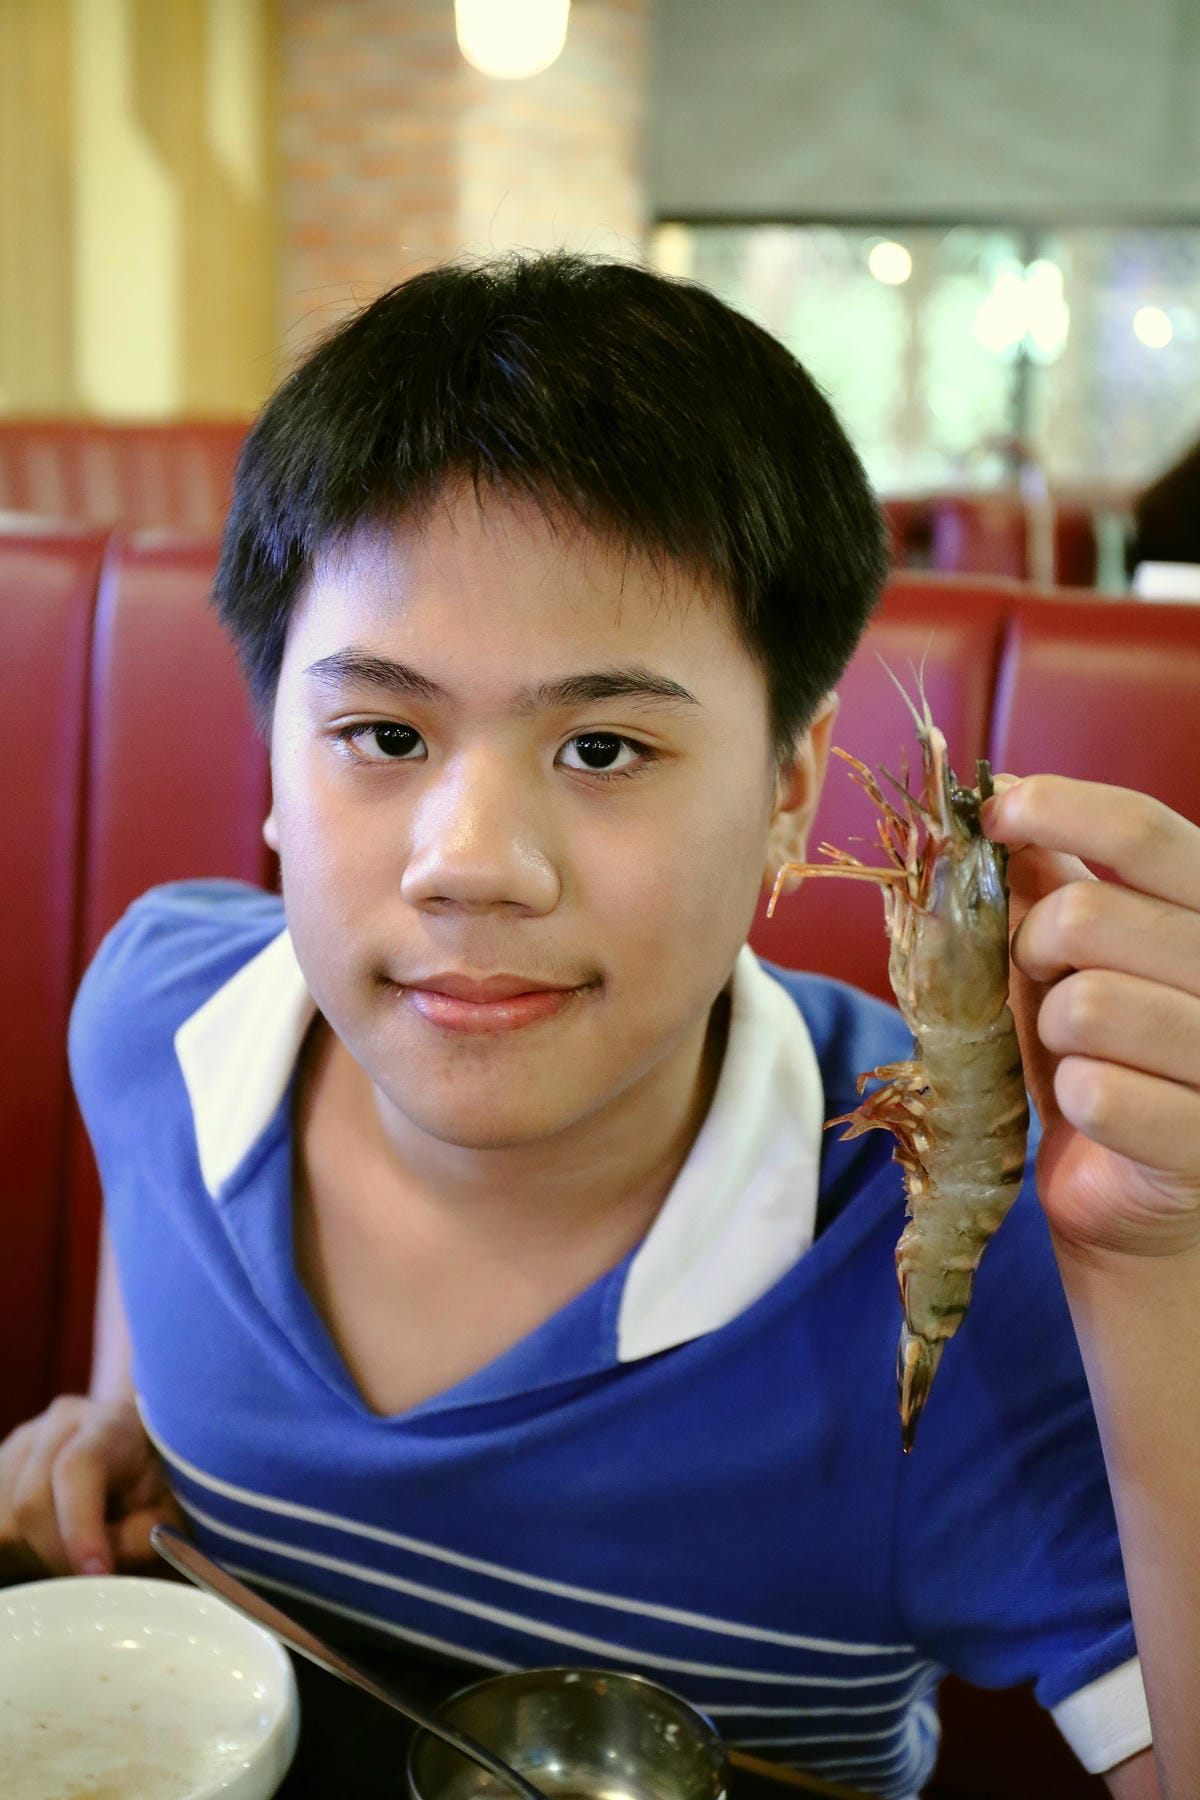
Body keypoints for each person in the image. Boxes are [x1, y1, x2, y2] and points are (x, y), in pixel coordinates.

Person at [1, 254, 1197, 1800]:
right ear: (273, 766)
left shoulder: (955, 1275)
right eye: (381, 733)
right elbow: (155, 1250)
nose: (473, 862)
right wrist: (119, 1421)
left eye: (605, 745)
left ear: (788, 789)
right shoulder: (161, 1007)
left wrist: (1159, 1278)